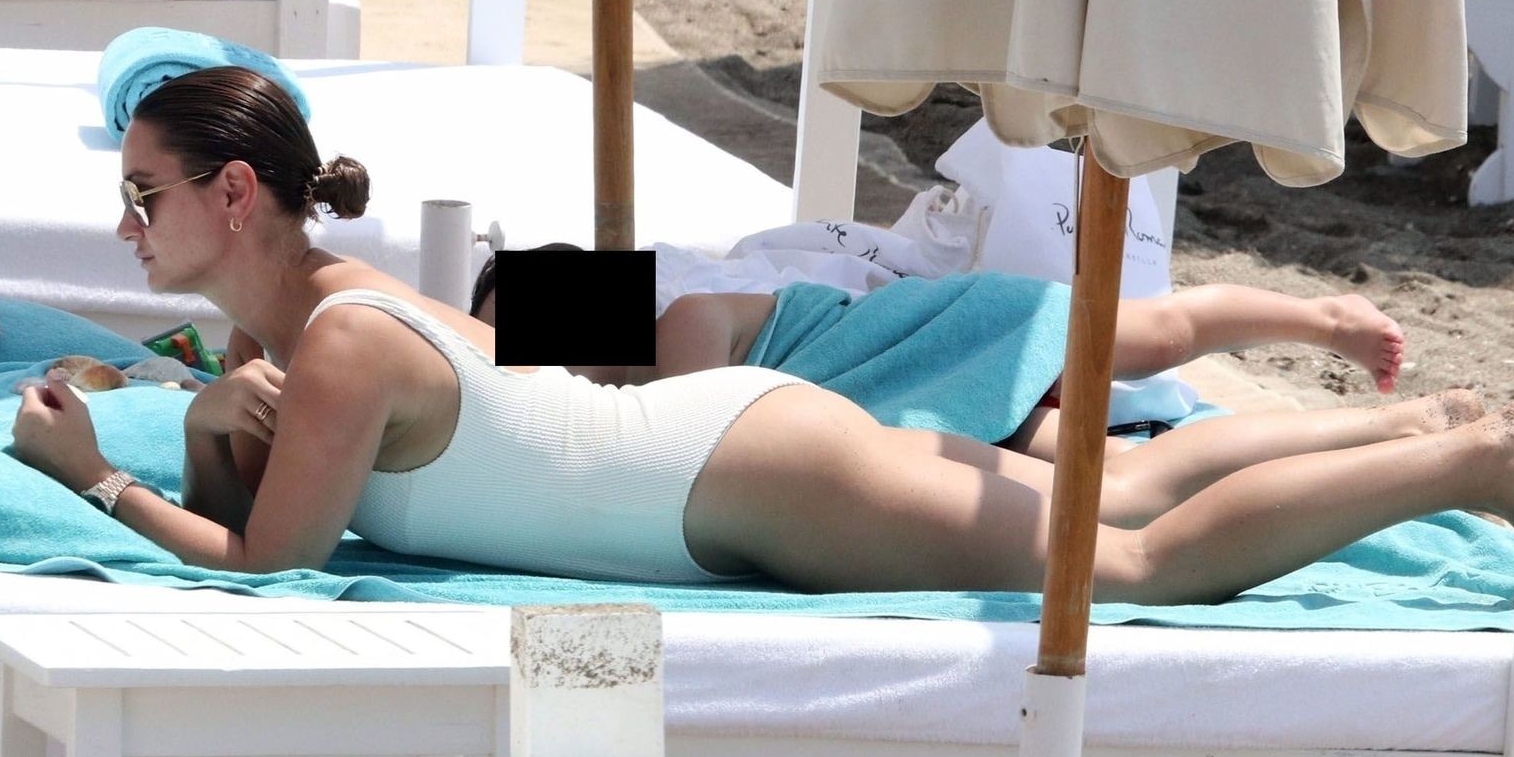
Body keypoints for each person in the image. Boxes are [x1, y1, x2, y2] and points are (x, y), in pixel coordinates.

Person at [11, 65, 1514, 604]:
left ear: (234, 195)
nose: (126, 223)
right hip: (729, 448)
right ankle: (1410, 431)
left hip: (740, 470)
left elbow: (272, 565)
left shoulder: (340, 345)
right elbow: (265, 514)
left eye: (144, 195)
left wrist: (98, 480)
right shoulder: (317, 330)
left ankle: (1465, 466)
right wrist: (197, 428)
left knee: (1122, 562)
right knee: (1111, 494)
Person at [471, 251, 1409, 463]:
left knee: (1149, 336)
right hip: (906, 407)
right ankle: (1346, 443)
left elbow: (700, 421)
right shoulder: (630, 384)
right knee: (1088, 464)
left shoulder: (681, 323)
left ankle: (1323, 318)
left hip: (939, 333)